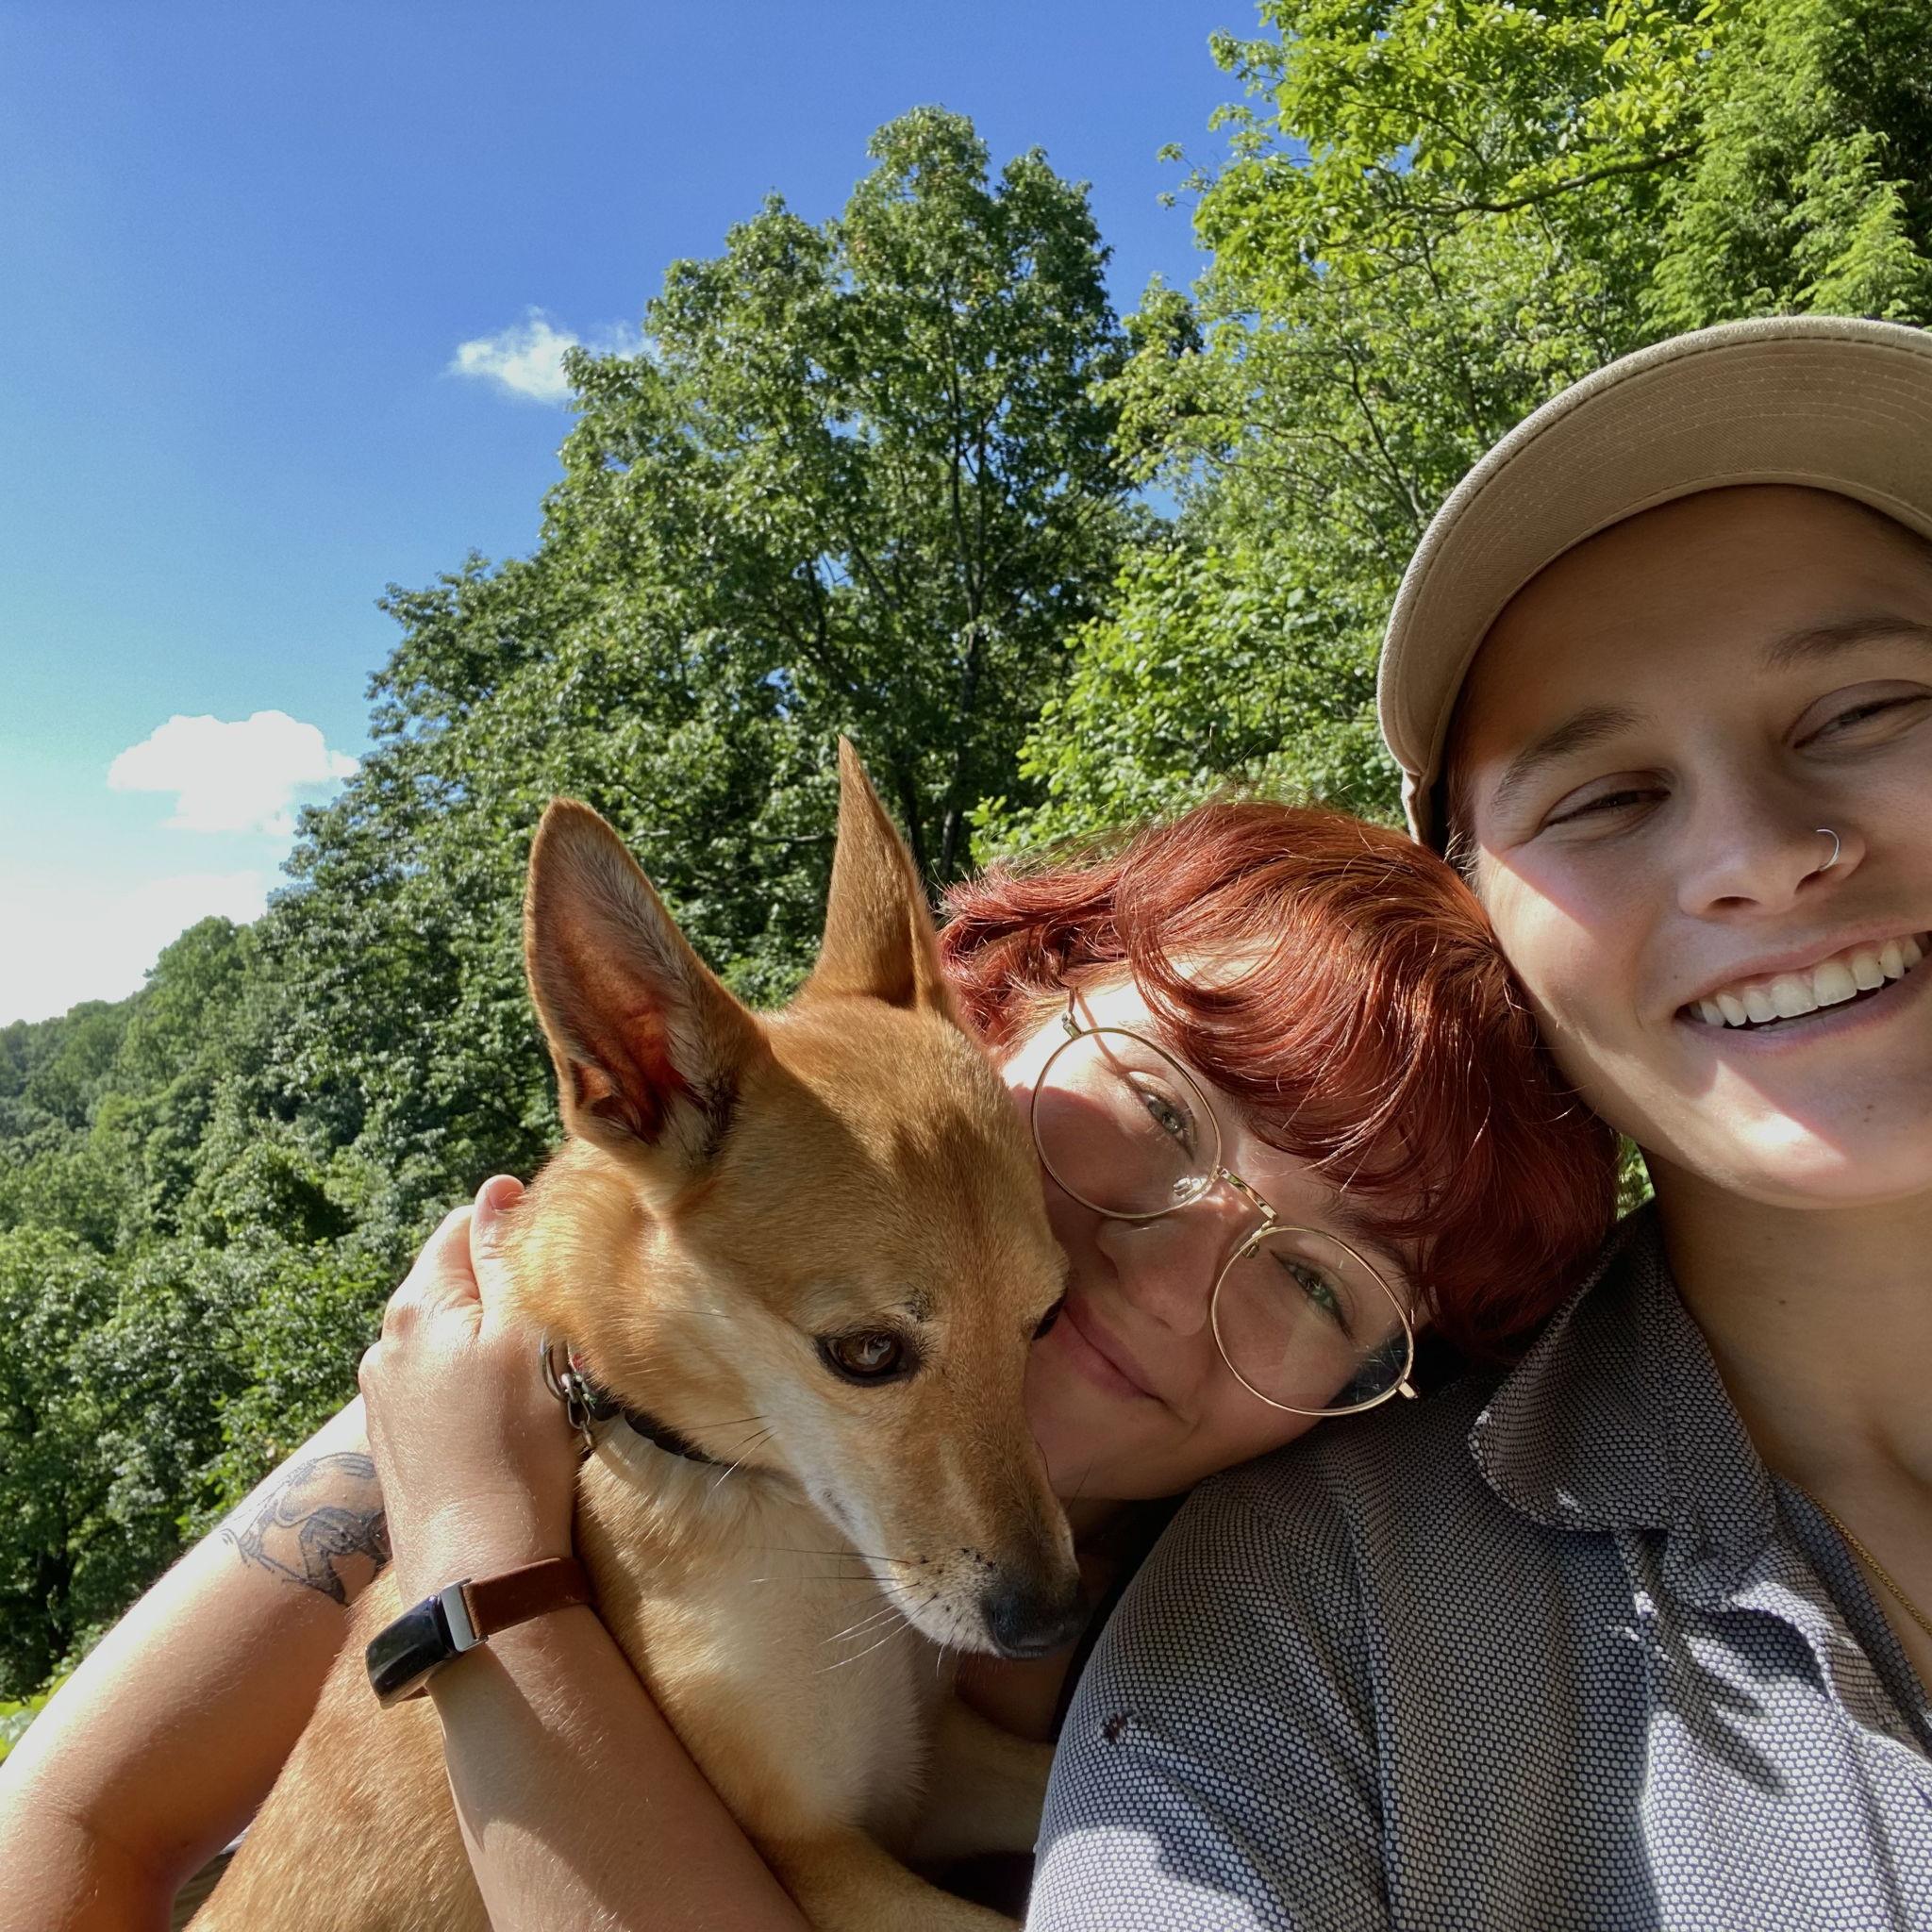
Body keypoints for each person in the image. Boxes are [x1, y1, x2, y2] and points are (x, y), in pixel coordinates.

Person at [0, 801, 1613, 1930]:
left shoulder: (1329, 1624)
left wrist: (476, 1563)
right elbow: (65, 1829)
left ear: (1404, 1383)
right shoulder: (509, 1383)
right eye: (1168, 1109)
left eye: (1321, 1286)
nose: (1166, 1273)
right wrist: (465, 1530)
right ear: (1012, 1006)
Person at [1032, 314, 1932, 1929]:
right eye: (1602, 797)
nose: (1762, 854)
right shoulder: (1314, 1625)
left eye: (1869, 708)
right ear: (1491, 918)